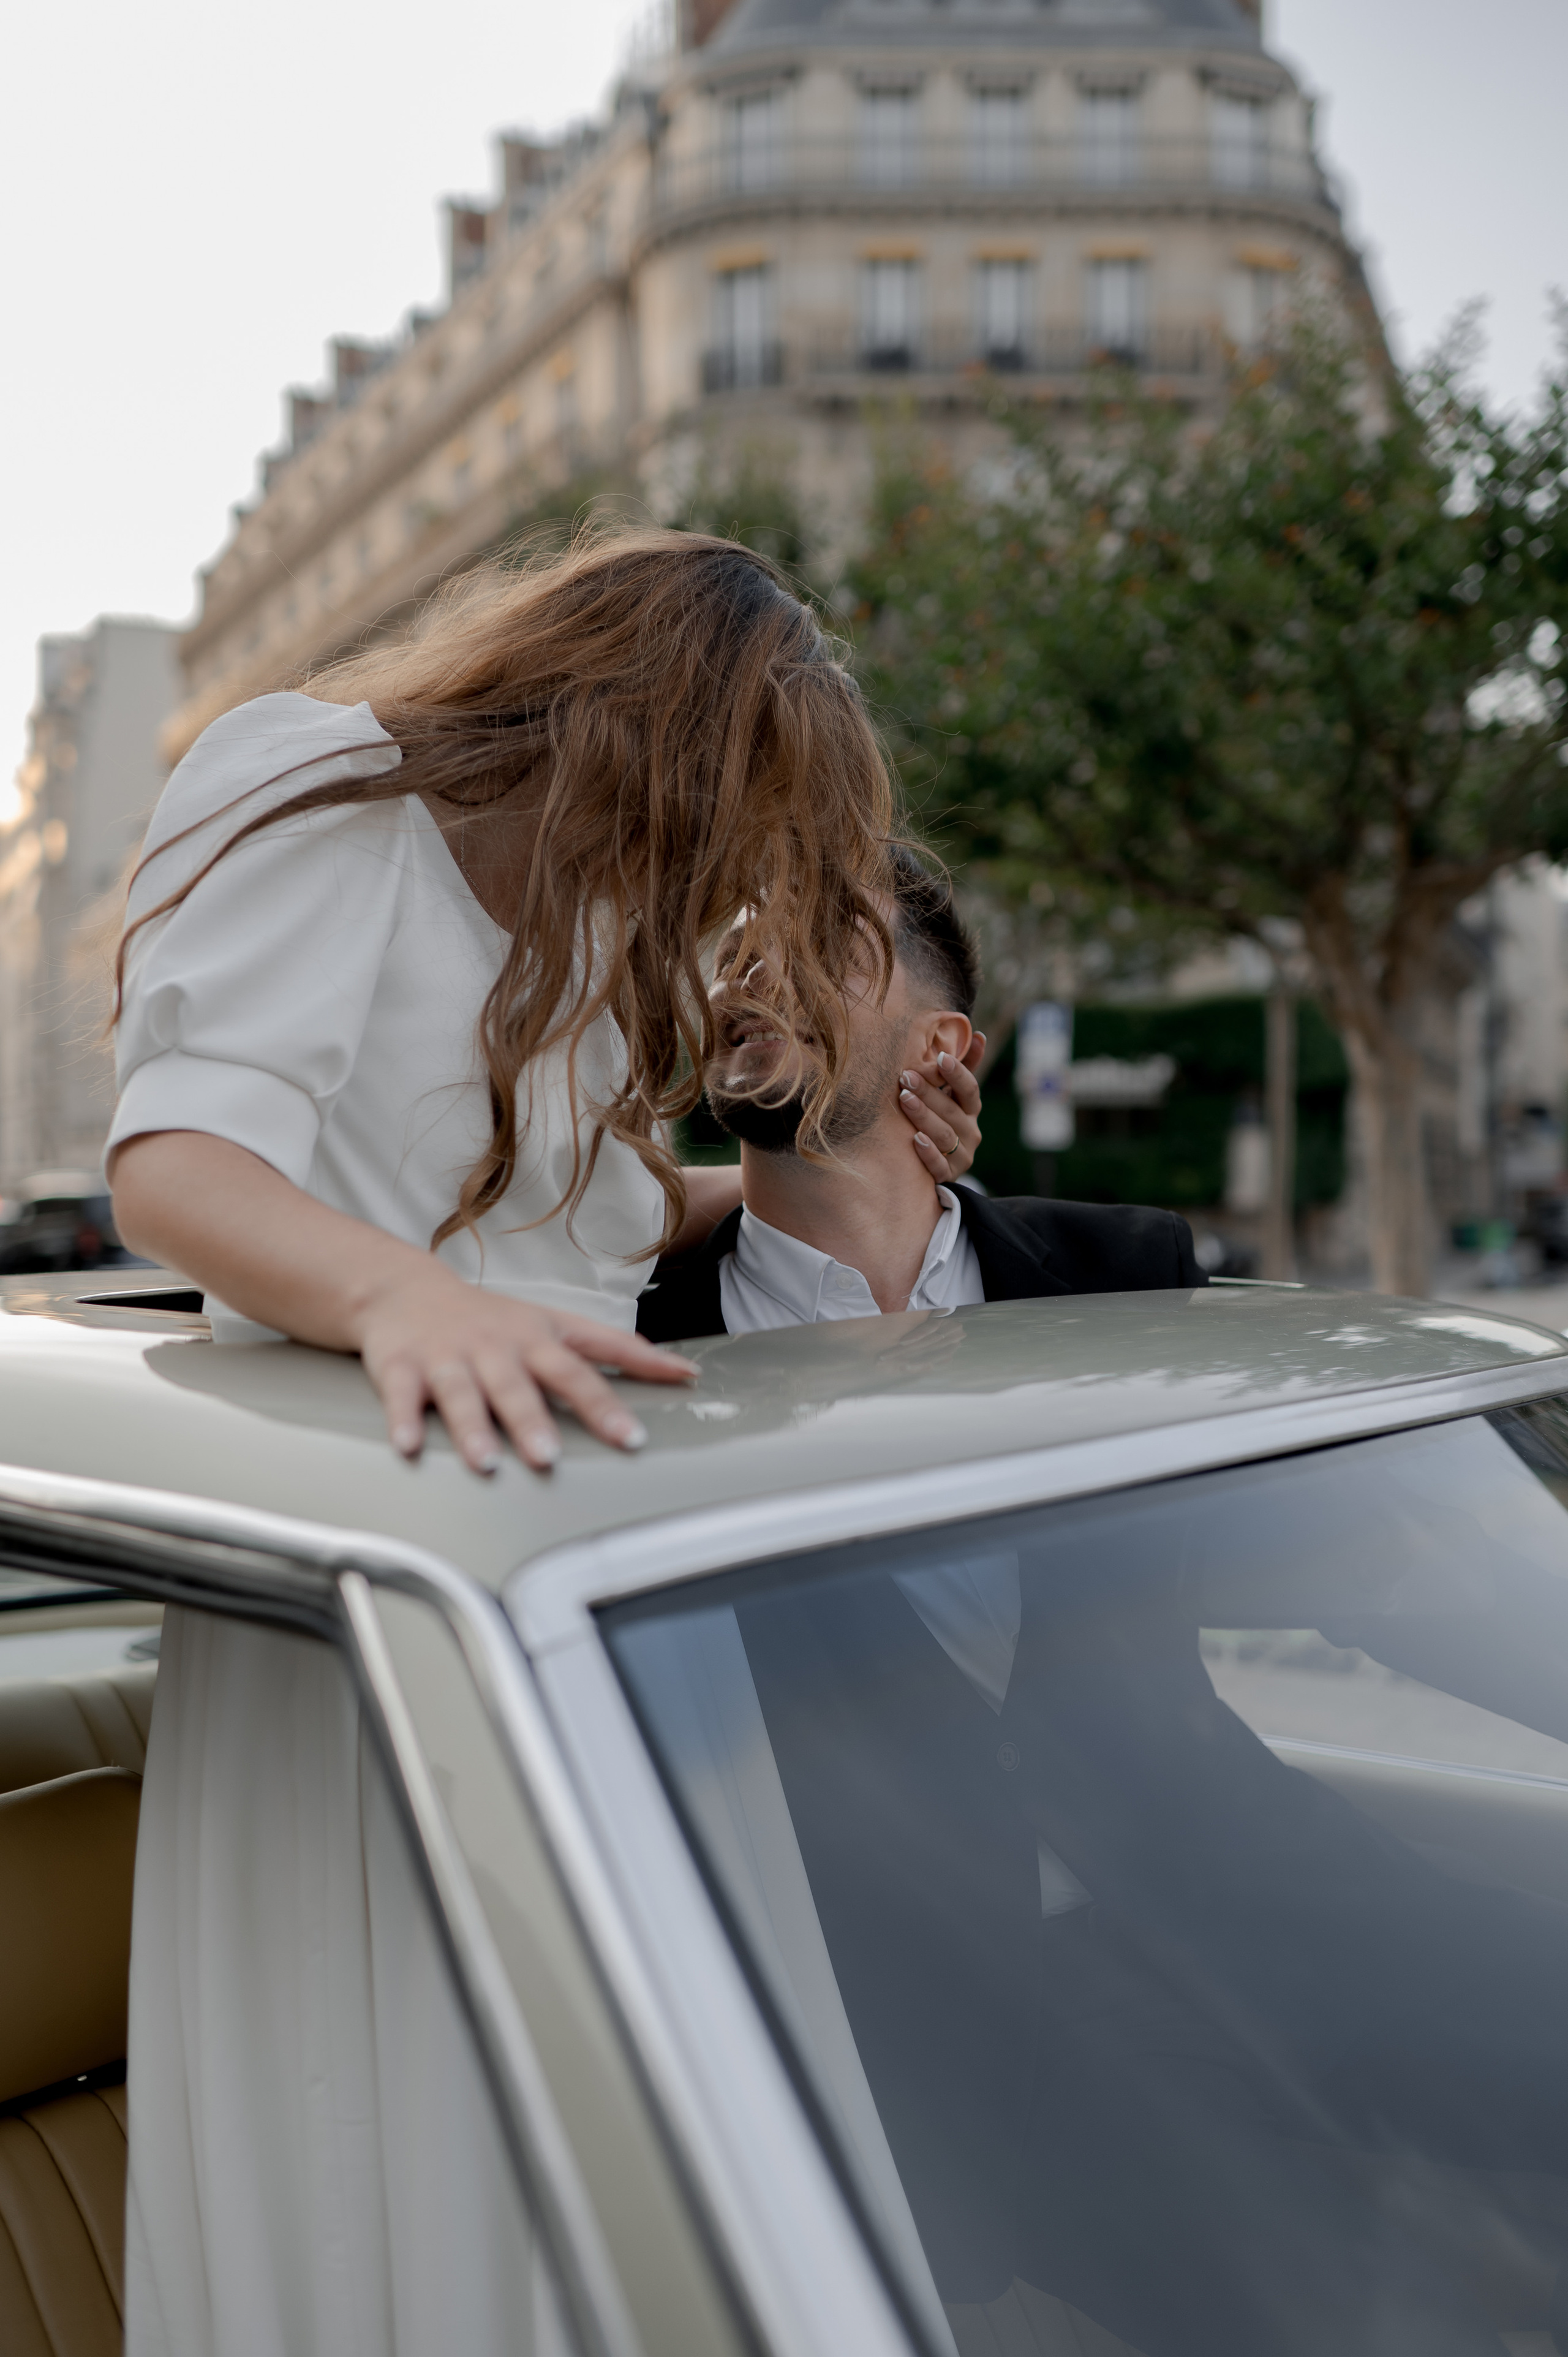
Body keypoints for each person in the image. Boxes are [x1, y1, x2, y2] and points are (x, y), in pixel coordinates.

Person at [105, 530, 981, 2356]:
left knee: (677, 2136)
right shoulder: (311, 782)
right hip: (387, 1595)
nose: (724, 881)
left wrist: (837, 1147)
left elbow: (567, 1243)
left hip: (593, 1584)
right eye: (728, 820)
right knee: (417, 2132)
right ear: (623, 728)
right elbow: (179, 1169)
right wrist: (402, 1303)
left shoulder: (580, 934)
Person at [636, 847, 1206, 1345]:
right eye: (733, 956)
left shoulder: (1142, 1274)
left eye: (824, 948)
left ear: (938, 1044)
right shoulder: (630, 1344)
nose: (757, 974)